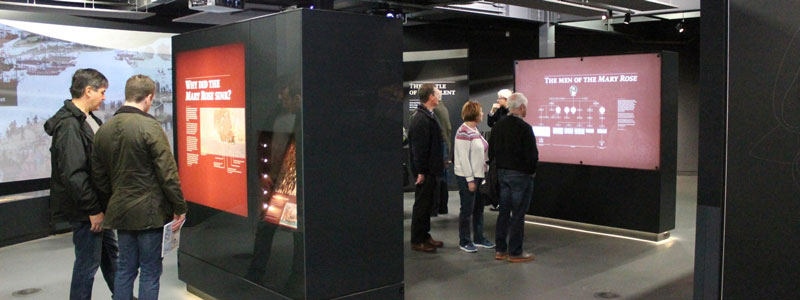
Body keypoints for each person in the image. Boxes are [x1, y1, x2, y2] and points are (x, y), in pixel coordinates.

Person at [91, 75, 188, 300]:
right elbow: (168, 173)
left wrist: (113, 198)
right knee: (150, 271)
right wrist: (179, 206)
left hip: (121, 212)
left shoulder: (103, 130)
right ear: (149, 97)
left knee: (124, 269)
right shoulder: (150, 127)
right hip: (151, 213)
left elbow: (99, 176)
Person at [44, 68, 118, 300]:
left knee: (110, 258)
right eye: (102, 92)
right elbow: (74, 174)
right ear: (88, 91)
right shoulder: (69, 126)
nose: (104, 97)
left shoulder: (88, 119)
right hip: (88, 211)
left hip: (99, 207)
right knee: (88, 265)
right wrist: (93, 210)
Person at [488, 92, 538, 263]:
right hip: (521, 176)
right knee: (518, 214)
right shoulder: (525, 128)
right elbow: (532, 156)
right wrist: (531, 172)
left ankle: (500, 250)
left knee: (504, 212)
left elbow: (492, 151)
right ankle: (515, 252)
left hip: (502, 174)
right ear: (522, 107)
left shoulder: (498, 126)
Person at [453, 101, 495, 253]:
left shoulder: (474, 129)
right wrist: (470, 180)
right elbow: (463, 158)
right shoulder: (463, 132)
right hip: (467, 177)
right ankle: (464, 241)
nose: (483, 114)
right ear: (475, 113)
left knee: (478, 209)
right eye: (481, 112)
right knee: (467, 210)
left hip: (478, 176)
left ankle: (478, 238)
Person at [408, 83, 445, 253]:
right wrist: (421, 171)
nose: (439, 97)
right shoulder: (420, 118)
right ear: (431, 97)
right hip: (426, 172)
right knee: (422, 205)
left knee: (427, 204)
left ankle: (424, 235)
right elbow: (418, 149)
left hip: (431, 170)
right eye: (438, 94)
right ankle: (417, 240)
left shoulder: (427, 115)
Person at [431, 87, 451, 216]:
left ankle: (436, 208)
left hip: (441, 147)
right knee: (443, 179)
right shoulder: (444, 108)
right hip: (445, 146)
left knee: (438, 179)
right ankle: (443, 207)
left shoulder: (436, 110)